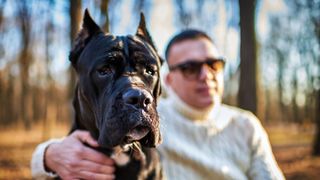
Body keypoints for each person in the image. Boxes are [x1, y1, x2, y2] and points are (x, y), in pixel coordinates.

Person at [31, 29, 284, 180]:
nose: (205, 75)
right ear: (170, 79)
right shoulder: (151, 117)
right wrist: (48, 155)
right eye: (190, 67)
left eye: (213, 64)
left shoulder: (247, 125)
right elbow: (88, 138)